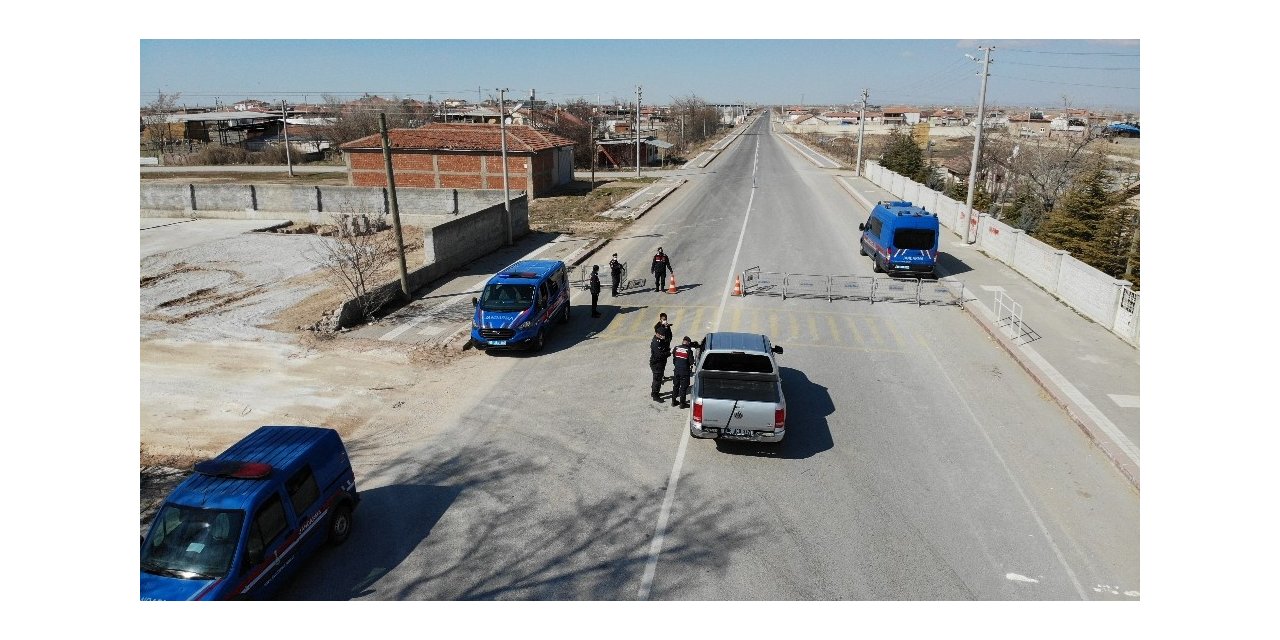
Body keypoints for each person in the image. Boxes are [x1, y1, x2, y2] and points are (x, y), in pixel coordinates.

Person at [671, 336, 695, 408]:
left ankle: (674, 401)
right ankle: (682, 403)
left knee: (676, 386)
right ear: (688, 342)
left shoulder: (676, 348)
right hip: (684, 371)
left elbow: (674, 360)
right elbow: (691, 362)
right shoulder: (688, 350)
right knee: (683, 387)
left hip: (677, 370)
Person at [649, 333, 670, 402]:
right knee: (657, 380)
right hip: (657, 364)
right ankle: (655, 395)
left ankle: (654, 392)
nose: (663, 336)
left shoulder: (660, 341)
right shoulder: (656, 343)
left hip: (659, 363)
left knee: (658, 379)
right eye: (662, 334)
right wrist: (669, 353)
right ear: (658, 334)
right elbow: (660, 355)